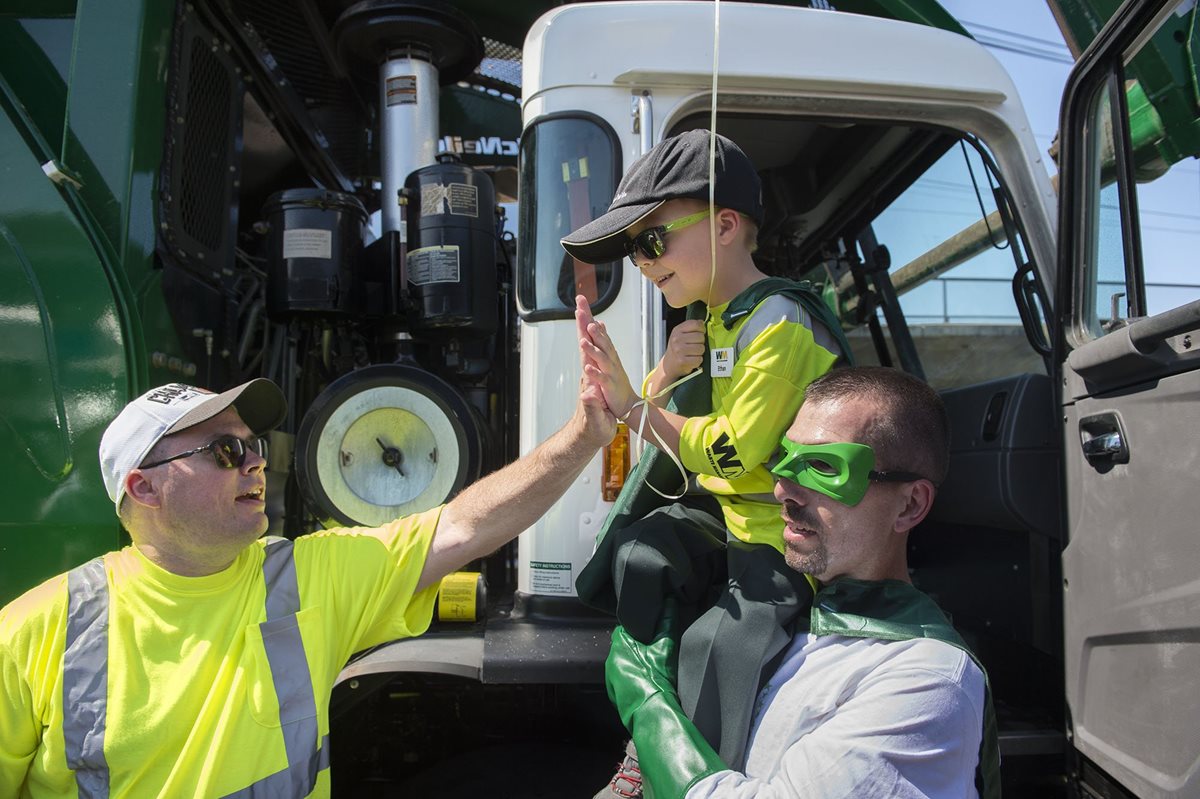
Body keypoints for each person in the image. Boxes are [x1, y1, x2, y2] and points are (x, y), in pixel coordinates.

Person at [0, 365, 614, 797]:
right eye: (223, 452)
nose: (256, 462)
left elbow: (462, 526)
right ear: (145, 487)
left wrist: (585, 436)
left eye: (254, 445)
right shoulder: (35, 631)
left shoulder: (305, 577)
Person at [564, 128, 851, 797]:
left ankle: (682, 769)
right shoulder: (717, 319)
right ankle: (649, 728)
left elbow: (732, 448)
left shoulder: (778, 323)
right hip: (733, 518)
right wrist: (662, 372)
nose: (640, 261)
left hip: (790, 539)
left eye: (652, 241)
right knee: (639, 555)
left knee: (722, 645)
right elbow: (680, 425)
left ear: (724, 225)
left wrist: (636, 405)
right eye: (633, 250)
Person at [602, 366, 1001, 799]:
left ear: (910, 504)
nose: (783, 491)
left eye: (824, 468)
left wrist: (649, 707)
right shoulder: (787, 614)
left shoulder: (926, 677)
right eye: (784, 460)